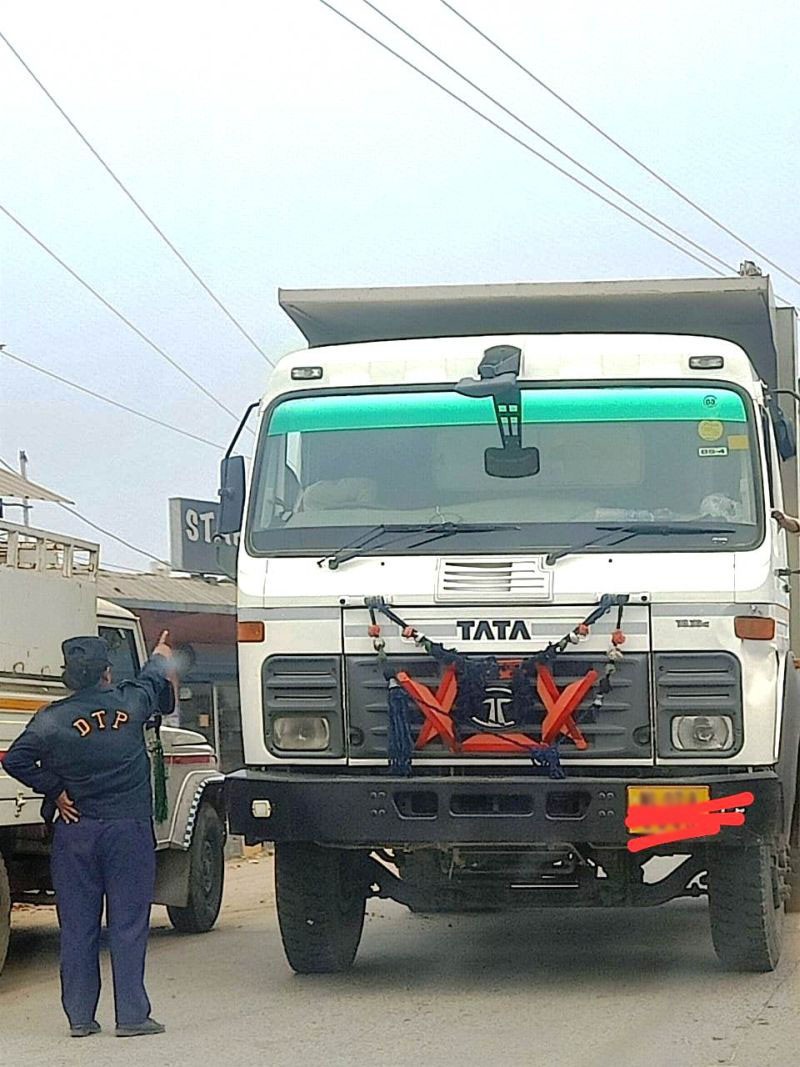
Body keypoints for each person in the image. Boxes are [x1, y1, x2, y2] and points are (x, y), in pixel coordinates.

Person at [1, 630, 176, 1039]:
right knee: (128, 924)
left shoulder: (51, 719)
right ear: (107, 673)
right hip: (128, 832)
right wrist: (160, 653)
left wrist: (56, 790)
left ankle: (81, 1018)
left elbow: (17, 760)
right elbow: (153, 677)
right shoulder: (131, 702)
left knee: (78, 927)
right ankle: (132, 1016)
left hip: (75, 832)